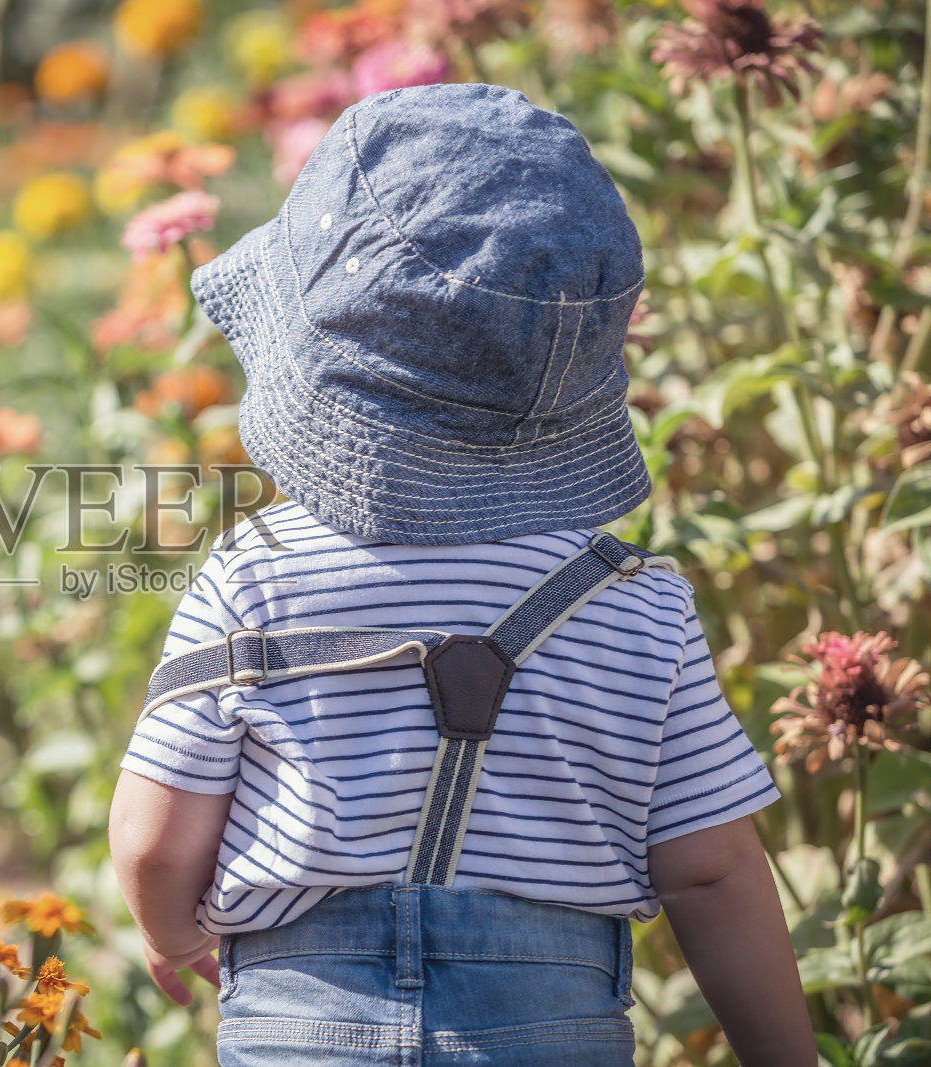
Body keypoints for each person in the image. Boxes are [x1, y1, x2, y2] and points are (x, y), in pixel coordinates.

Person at [107, 83, 815, 1067]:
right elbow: (714, 870)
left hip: (301, 1023)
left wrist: (173, 929)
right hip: (551, 1023)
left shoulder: (254, 570)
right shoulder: (638, 603)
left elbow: (152, 835)